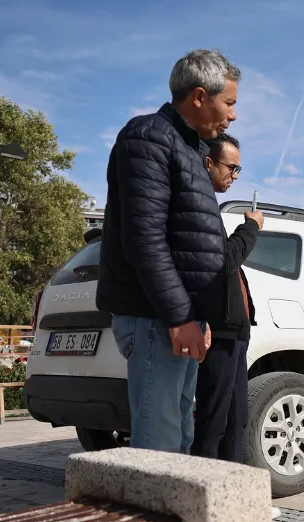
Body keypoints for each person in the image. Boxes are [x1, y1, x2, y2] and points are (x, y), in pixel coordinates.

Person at [97, 49, 260, 453]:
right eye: (230, 103)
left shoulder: (188, 149)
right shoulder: (149, 137)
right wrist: (180, 315)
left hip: (177, 320)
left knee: (180, 442)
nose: (234, 115)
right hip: (156, 319)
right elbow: (145, 239)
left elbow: (190, 243)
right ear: (200, 96)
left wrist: (196, 315)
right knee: (160, 448)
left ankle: (176, 517)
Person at [191, 132, 262, 464]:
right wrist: (250, 228)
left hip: (234, 332)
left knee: (236, 421)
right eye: (231, 167)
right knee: (213, 421)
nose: (234, 176)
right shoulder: (197, 203)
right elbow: (223, 262)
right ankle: (204, 493)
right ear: (209, 162)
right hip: (216, 331)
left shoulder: (208, 205)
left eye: (238, 170)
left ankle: (232, 494)